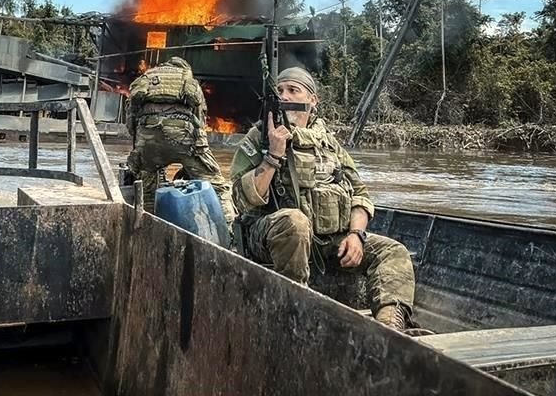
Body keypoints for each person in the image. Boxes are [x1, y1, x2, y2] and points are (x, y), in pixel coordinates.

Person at [229, 66, 416, 331]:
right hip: (270, 237)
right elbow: (240, 199)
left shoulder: (329, 143)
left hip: (327, 241)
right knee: (295, 221)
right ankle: (295, 310)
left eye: (293, 90)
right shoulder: (259, 137)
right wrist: (272, 155)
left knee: (392, 250)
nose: (285, 96)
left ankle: (390, 326)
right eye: (280, 91)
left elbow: (360, 194)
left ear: (312, 100)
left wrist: (356, 235)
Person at [125, 56, 235, 226]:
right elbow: (200, 118)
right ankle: (230, 229)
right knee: (215, 183)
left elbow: (131, 114)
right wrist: (200, 152)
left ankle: (147, 226)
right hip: (182, 138)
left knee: (147, 190)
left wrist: (140, 146)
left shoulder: (146, 78)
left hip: (148, 139)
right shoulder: (188, 79)